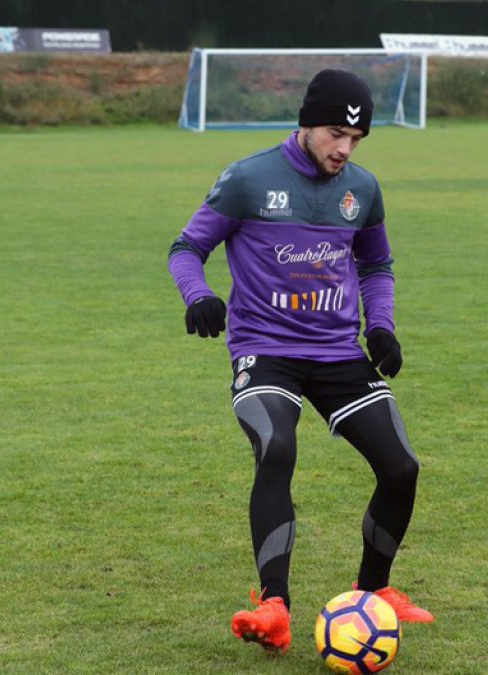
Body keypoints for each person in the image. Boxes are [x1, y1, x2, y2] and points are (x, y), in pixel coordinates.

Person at [167, 69, 433, 654]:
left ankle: (376, 591)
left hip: (338, 353)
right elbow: (187, 248)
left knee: (402, 467)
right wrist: (200, 295)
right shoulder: (248, 178)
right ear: (307, 123)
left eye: (356, 140)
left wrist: (381, 326)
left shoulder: (361, 189)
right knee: (278, 447)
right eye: (336, 132)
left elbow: (376, 265)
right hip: (267, 353)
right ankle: (274, 604)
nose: (345, 148)